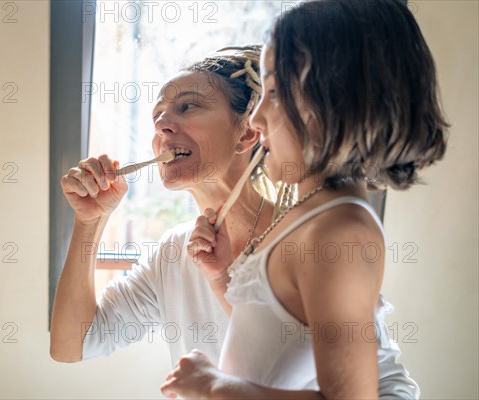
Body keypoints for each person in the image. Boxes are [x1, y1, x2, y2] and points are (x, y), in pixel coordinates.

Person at [50, 46, 420, 398]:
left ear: (247, 132)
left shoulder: (308, 238)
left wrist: (214, 389)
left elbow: (380, 390)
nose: (161, 122)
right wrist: (90, 221)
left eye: (187, 106)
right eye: (157, 114)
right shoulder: (175, 253)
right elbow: (72, 345)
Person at [160, 1, 448, 399]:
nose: (256, 119)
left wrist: (214, 386)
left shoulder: (338, 231)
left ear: (334, 101)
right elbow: (284, 341)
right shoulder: (308, 213)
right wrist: (220, 277)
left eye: (274, 92)